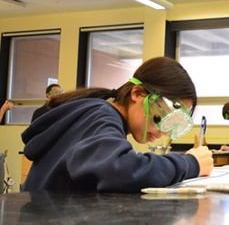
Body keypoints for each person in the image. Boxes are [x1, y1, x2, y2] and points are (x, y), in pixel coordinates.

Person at [21, 56, 213, 192]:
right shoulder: (100, 116)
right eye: (162, 118)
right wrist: (191, 164)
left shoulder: (99, 115)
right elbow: (121, 170)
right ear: (137, 94)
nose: (163, 131)